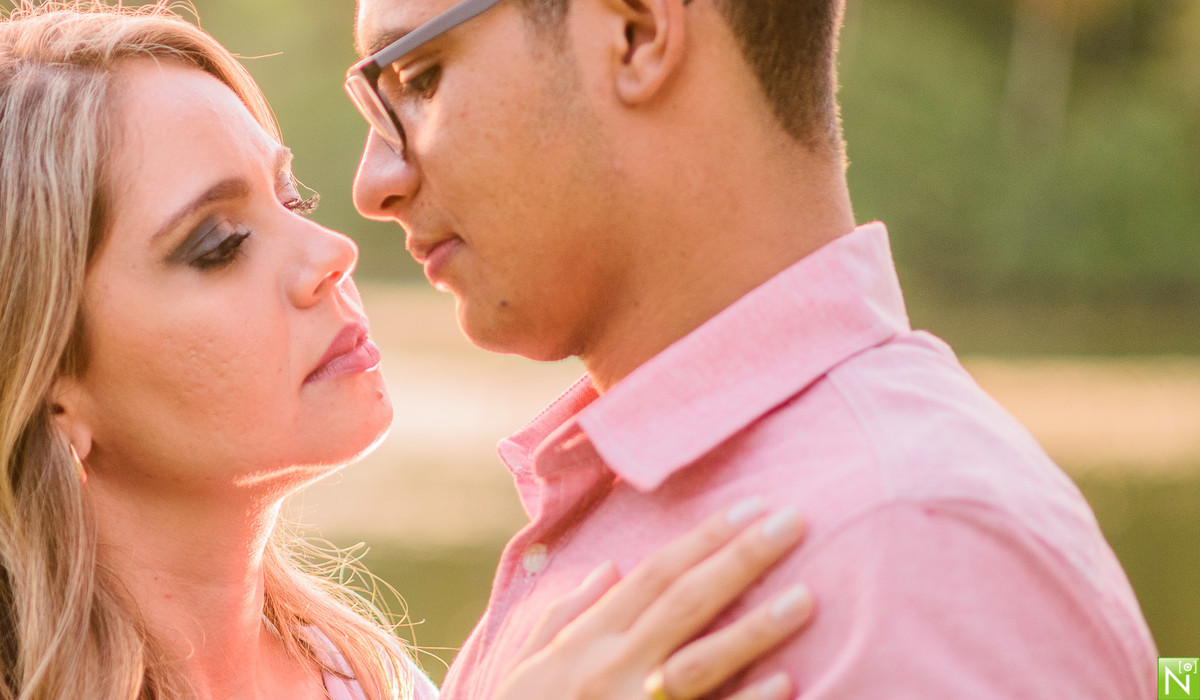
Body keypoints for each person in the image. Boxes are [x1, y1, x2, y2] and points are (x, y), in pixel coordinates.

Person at [0, 3, 817, 699]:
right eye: (219, 244)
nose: (330, 254)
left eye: (294, 197)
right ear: (48, 383)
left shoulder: (366, 675)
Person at [348, 0, 1160, 697]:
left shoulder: (910, 553)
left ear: (635, 32)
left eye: (418, 79)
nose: (373, 182)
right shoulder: (638, 494)